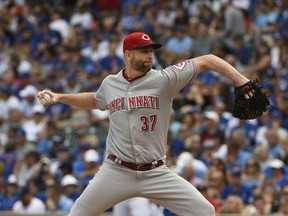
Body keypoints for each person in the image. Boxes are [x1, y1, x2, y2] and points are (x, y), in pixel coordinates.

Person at [38, 31, 252, 216]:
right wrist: (59, 97)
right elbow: (96, 100)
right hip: (116, 170)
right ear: (128, 54)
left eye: (151, 50)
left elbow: (208, 60)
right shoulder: (110, 84)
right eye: (144, 51)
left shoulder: (165, 79)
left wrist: (241, 80)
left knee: (204, 211)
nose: (150, 55)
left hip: (155, 171)